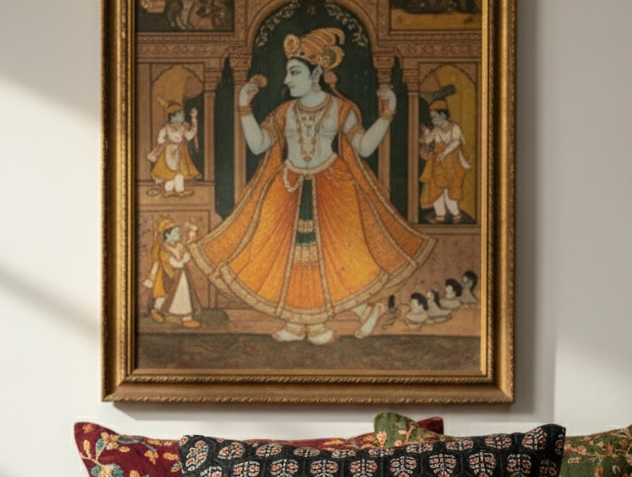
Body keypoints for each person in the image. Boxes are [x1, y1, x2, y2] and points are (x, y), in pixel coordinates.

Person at [190, 28, 433, 345]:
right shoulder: (283, 111)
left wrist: (387, 115)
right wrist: (244, 108)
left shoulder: (340, 109)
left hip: (332, 186)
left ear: (316, 72)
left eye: (294, 73)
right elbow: (258, 144)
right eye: (288, 73)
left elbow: (363, 148)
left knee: (330, 255)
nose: (288, 80)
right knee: (288, 254)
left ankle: (332, 319)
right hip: (288, 186)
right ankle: (299, 321)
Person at [418, 100, 470, 223]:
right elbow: (427, 140)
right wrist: (426, 134)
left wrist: (444, 153)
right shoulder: (436, 130)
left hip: (452, 164)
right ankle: (440, 215)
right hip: (437, 165)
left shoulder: (454, 128)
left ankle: (455, 214)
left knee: (449, 191)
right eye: (432, 118)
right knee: (436, 189)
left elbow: (456, 142)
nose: (433, 120)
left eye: (434, 117)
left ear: (442, 116)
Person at [144, 219, 202, 327]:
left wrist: (184, 251)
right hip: (168, 277)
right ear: (167, 235)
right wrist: (181, 256)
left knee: (184, 295)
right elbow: (174, 263)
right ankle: (156, 311)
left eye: (179, 233)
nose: (178, 236)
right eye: (175, 234)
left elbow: (185, 259)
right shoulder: (164, 249)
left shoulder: (179, 245)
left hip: (181, 277)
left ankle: (186, 318)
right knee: (165, 296)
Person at [147, 102, 199, 196]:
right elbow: (160, 139)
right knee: (170, 169)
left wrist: (193, 119)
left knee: (180, 170)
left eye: (182, 115)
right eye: (180, 115)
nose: (182, 117)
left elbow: (189, 135)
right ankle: (168, 189)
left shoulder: (183, 127)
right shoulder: (166, 128)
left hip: (181, 151)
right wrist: (165, 142)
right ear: (173, 117)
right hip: (169, 151)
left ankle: (180, 190)